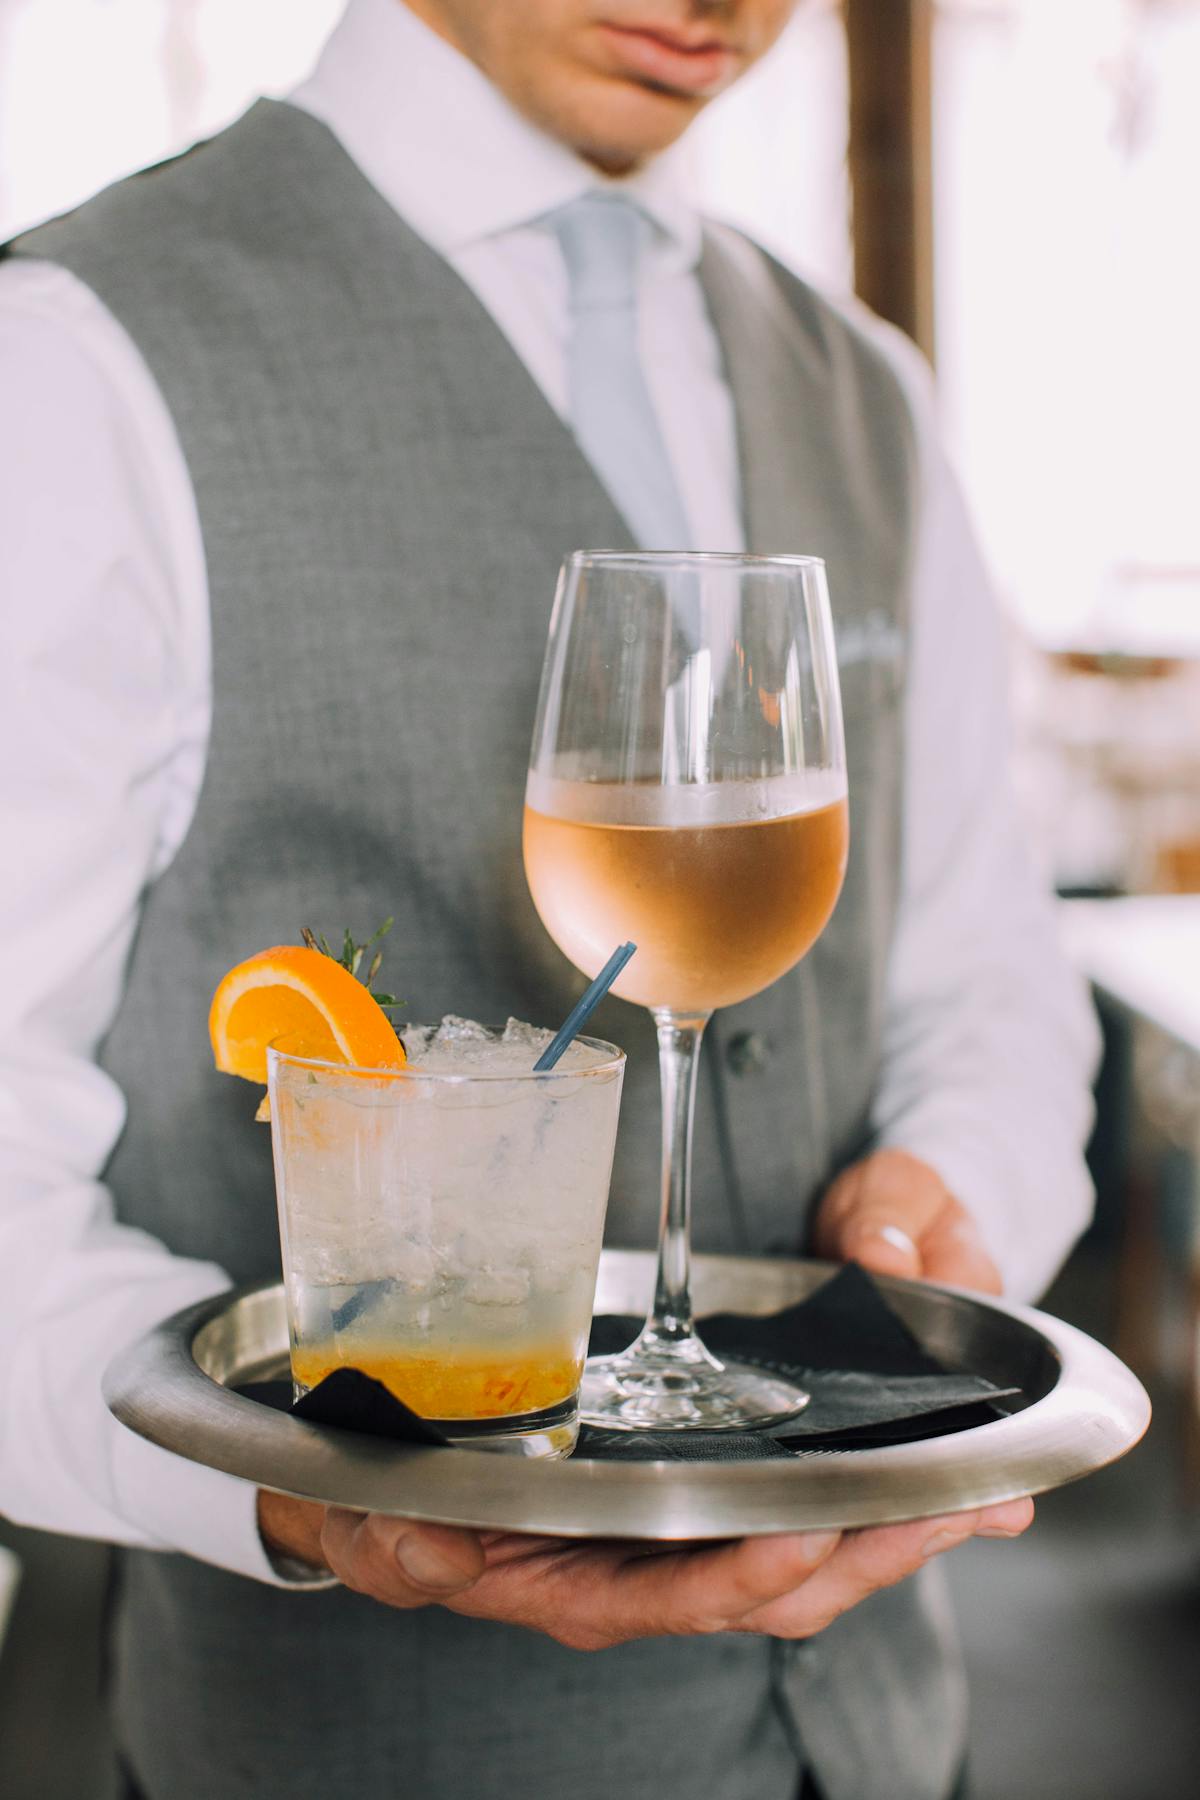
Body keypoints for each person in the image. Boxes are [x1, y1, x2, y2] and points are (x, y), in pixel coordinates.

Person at [0, 3, 1097, 1798]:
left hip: (895, 1736)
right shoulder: (71, 357)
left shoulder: (864, 387)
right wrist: (288, 1482)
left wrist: (950, 1208)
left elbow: (989, 972)